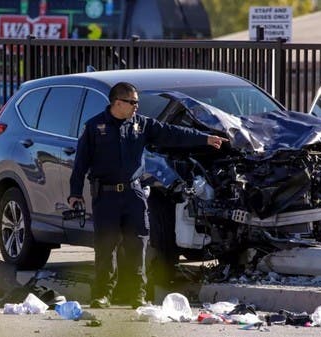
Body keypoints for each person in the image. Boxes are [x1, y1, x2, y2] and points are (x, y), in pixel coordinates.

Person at [68, 82, 226, 309]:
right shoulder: (94, 127)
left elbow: (173, 134)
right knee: (106, 248)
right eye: (132, 102)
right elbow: (80, 164)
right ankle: (102, 295)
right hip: (106, 196)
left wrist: (205, 138)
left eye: (137, 103)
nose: (137, 107)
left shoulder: (141, 125)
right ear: (118, 103)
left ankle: (137, 296)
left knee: (138, 245)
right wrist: (75, 194)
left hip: (134, 193)